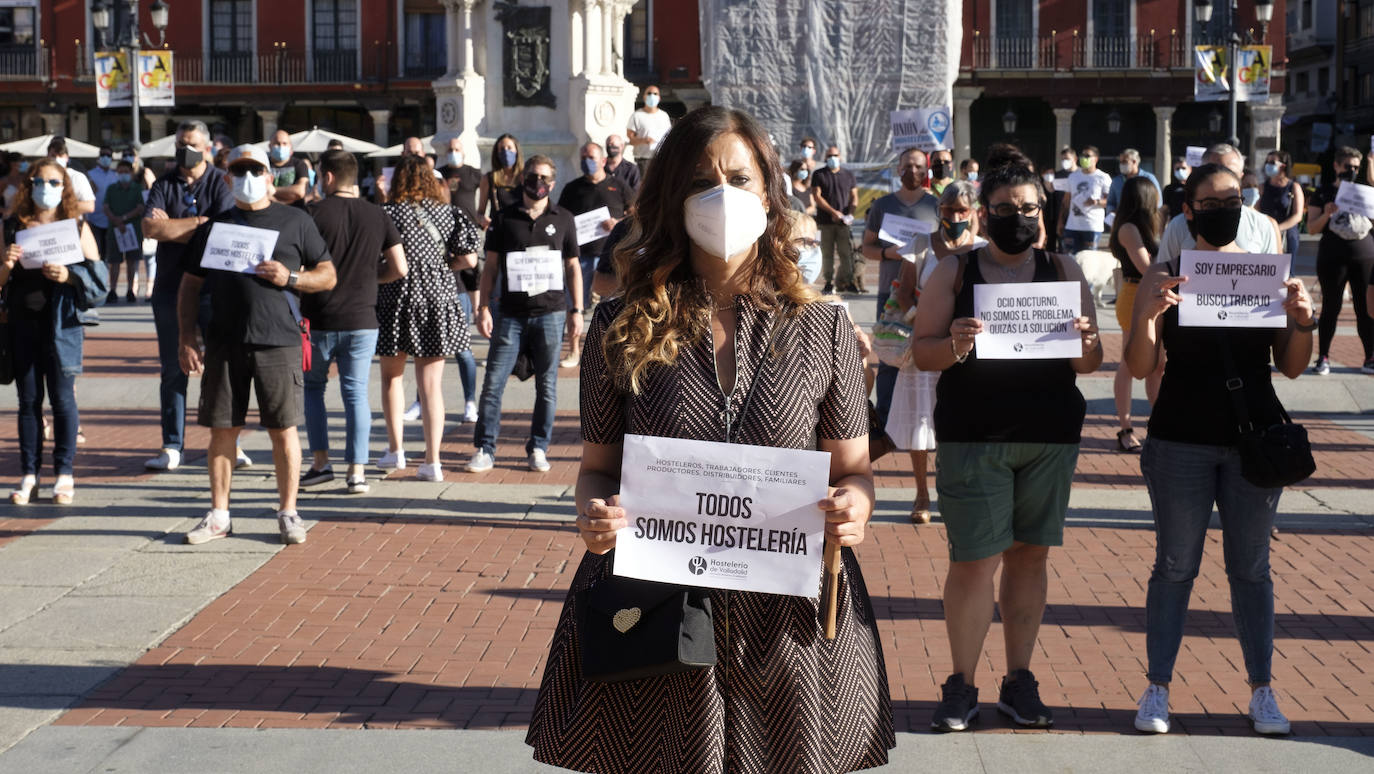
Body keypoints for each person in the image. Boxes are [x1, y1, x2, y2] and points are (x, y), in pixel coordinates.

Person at [526, 104, 894, 772]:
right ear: (671, 197)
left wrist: (857, 507)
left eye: (739, 178)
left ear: (768, 192)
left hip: (788, 617)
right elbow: (598, 468)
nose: (722, 195)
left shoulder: (824, 328)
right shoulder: (621, 324)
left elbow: (856, 470)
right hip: (660, 615)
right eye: (701, 181)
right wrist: (593, 514)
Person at [1124, 163, 1315, 737]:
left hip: (1251, 438)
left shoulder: (1267, 275)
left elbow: (1292, 365)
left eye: (1233, 198)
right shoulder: (1167, 274)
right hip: (1180, 437)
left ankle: (1263, 690)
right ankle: (1157, 689)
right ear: (1189, 211)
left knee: (1252, 569)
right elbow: (1139, 366)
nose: (1224, 208)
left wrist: (1303, 321)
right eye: (1211, 201)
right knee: (1176, 565)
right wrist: (1151, 316)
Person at [912, 157, 1102, 732]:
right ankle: (961, 683)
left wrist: (1086, 342)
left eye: (1027, 209)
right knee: (973, 561)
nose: (1016, 218)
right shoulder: (954, 272)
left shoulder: (1064, 268)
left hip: (1047, 436)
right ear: (982, 213)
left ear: (1041, 212)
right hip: (974, 436)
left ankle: (1019, 679)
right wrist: (955, 344)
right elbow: (921, 352)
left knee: (1029, 556)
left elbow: (1089, 362)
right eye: (1003, 210)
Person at [178, 144, 337, 545]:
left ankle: (288, 512)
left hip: (278, 341)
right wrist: (186, 337)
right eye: (239, 172)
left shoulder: (295, 220)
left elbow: (328, 274)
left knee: (283, 430)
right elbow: (189, 287)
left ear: (270, 177)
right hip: (224, 342)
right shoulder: (214, 227)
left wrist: (292, 279)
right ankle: (219, 515)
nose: (247, 178)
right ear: (227, 179)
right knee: (222, 431)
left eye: (255, 171)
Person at [300, 149, 408, 495]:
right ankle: (357, 470)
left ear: (328, 177)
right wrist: (370, 277)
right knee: (355, 393)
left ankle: (320, 462)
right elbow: (399, 267)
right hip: (363, 316)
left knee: (314, 389)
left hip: (318, 316)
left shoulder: (312, 213)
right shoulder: (377, 215)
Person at [2, 158, 108, 505]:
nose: (44, 188)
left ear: (64, 188)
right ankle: (29, 473)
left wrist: (70, 276)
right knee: (28, 402)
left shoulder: (75, 226)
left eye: (52, 182)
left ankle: (64, 473)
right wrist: (5, 265)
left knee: (63, 400)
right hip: (21, 324)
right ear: (27, 186)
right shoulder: (11, 226)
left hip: (62, 326)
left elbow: (101, 283)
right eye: (37, 181)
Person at [468, 155, 582, 474]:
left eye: (545, 177)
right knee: (493, 382)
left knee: (547, 385)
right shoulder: (504, 219)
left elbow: (573, 266)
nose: (538, 182)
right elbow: (489, 267)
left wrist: (577, 309)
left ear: (553, 183)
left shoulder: (564, 218)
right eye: (533, 176)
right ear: (523, 179)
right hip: (510, 314)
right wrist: (483, 307)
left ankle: (539, 447)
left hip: (551, 313)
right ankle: (485, 448)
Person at [374, 154, 481, 480]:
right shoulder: (450, 213)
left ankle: (396, 451)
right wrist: (439, 268)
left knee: (392, 377)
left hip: (397, 298)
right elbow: (470, 259)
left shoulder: (388, 212)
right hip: (438, 300)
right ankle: (432, 461)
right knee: (431, 385)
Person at [141, 119, 238, 472]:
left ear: (208, 147)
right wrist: (200, 223)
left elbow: (222, 230)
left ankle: (229, 439)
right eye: (180, 143)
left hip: (214, 289)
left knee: (220, 366)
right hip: (169, 287)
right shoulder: (165, 183)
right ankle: (172, 444)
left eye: (192, 143)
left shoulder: (221, 182)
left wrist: (176, 227)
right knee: (172, 367)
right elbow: (151, 228)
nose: (185, 149)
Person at [887, 183, 978, 524]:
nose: (954, 216)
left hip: (965, 350)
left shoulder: (981, 249)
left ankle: (955, 490)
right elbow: (904, 293)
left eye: (961, 210)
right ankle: (922, 492)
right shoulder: (922, 244)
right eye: (949, 209)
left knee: (962, 421)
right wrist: (920, 317)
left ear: (972, 212)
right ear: (939, 209)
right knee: (920, 421)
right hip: (924, 345)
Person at [861, 147, 939, 431]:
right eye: (907, 166)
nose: (913, 172)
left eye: (919, 167)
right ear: (898, 169)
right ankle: (884, 418)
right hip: (889, 291)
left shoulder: (936, 205)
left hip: (926, 291)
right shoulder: (883, 205)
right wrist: (889, 254)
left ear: (927, 171)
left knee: (925, 352)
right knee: (889, 352)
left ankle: (922, 416)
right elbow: (867, 247)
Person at [556, 142, 626, 368]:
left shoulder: (619, 186)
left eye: (591, 157)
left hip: (612, 257)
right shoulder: (572, 188)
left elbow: (637, 214)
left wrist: (618, 223)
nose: (587, 161)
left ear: (603, 161)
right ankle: (574, 351)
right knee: (574, 304)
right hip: (580, 257)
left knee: (615, 305)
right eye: (583, 157)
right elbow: (561, 218)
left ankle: (612, 352)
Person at [1107, 176, 1164, 453]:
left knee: (1157, 364)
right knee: (1130, 363)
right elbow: (1147, 267)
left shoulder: (1147, 226)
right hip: (1134, 294)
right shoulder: (1128, 228)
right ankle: (1125, 428)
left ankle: (1159, 424)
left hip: (1151, 294)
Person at [1307, 146, 1374, 375]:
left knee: (1365, 309)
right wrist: (1327, 213)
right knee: (1331, 308)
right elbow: (1312, 228)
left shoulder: (1366, 193)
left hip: (1364, 257)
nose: (1352, 171)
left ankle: (1370, 356)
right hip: (1333, 259)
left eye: (1356, 167)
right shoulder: (1324, 192)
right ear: (1336, 166)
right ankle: (1323, 356)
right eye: (1348, 167)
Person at [1156, 144, 1278, 266]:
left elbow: (1272, 278)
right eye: (1212, 172)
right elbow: (1163, 273)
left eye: (1230, 173)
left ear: (1241, 176)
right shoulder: (1178, 226)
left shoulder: (1261, 225)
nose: (1221, 178)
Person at [812, 144, 860, 294]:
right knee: (827, 253)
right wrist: (833, 212)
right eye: (829, 156)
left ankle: (849, 281)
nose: (833, 158)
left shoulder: (848, 175)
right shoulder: (819, 174)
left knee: (846, 253)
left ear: (840, 157)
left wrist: (850, 213)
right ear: (826, 158)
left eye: (835, 155)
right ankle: (828, 282)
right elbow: (817, 196)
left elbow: (854, 197)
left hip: (843, 223)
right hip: (825, 222)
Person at [102, 158, 146, 302]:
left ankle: (130, 289)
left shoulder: (137, 188)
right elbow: (106, 207)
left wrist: (124, 218)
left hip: (132, 230)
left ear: (131, 173)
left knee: (132, 262)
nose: (123, 174)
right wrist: (116, 220)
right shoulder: (111, 188)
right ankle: (113, 290)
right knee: (114, 261)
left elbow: (140, 208)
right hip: (115, 230)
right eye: (120, 172)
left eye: (126, 172)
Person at [1060, 145, 1111, 254]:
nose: (1084, 158)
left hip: (1092, 227)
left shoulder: (1103, 177)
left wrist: (1096, 202)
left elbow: (1109, 201)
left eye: (1087, 156)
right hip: (1072, 226)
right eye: (1083, 155)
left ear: (1095, 159)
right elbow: (1066, 201)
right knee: (1070, 259)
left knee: (1088, 260)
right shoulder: (1073, 177)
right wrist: (1060, 221)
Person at [1258, 150, 1304, 263]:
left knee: (1285, 273)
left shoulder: (1294, 187)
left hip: (1287, 235)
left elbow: (1298, 216)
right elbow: (1256, 210)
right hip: (1265, 234)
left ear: (1283, 166)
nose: (1268, 165)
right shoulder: (1262, 187)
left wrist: (1277, 228)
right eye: (1267, 162)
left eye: (1272, 162)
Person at [86, 146, 119, 289]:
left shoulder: (115, 175)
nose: (106, 158)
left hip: (111, 220)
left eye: (108, 155)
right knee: (95, 254)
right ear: (99, 157)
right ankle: (96, 283)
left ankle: (105, 283)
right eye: (103, 155)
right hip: (94, 219)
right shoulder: (90, 174)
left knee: (108, 255)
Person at [477, 133, 522, 229]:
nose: (506, 151)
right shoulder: (488, 178)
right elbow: (480, 213)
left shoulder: (525, 177)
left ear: (517, 151)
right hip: (498, 231)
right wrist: (482, 220)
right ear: (496, 153)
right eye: (502, 149)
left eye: (509, 148)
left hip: (520, 230)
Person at [625, 84, 672, 176]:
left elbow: (669, 137)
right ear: (644, 97)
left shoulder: (664, 116)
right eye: (649, 93)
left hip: (661, 159)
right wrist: (643, 141)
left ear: (659, 98)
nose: (652, 96)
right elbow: (631, 139)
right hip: (643, 160)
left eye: (655, 94)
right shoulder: (637, 116)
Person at [45, 138, 96, 216]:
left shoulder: (77, 177)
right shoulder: (42, 176)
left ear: (66, 158)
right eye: (53, 155)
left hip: (71, 223)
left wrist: (60, 207)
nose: (56, 158)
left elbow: (89, 206)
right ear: (47, 157)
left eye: (60, 155)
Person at [1106, 148, 1161, 218]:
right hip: (1121, 221)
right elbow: (1110, 202)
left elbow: (1158, 201)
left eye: (1124, 162)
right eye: (1120, 162)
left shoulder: (1149, 178)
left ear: (1134, 162)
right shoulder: (1116, 181)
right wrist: (1112, 213)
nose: (1121, 164)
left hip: (1144, 220)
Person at [438, 136, 482, 223]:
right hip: (445, 224)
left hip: (469, 223)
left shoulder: (473, 173)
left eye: (457, 150)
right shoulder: (438, 174)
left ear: (463, 153)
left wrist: (481, 213)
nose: (453, 153)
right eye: (450, 150)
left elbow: (488, 189)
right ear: (446, 153)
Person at [266, 130, 310, 206]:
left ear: (290, 146)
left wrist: (273, 190)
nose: (281, 146)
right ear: (270, 146)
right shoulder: (264, 165)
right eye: (277, 143)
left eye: (284, 143)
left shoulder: (299, 164)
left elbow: (300, 191)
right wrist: (289, 194)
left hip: (295, 213)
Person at [602, 133, 640, 202]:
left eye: (613, 144)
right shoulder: (600, 167)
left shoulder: (631, 169)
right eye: (609, 145)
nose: (611, 147)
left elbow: (635, 193)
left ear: (622, 146)